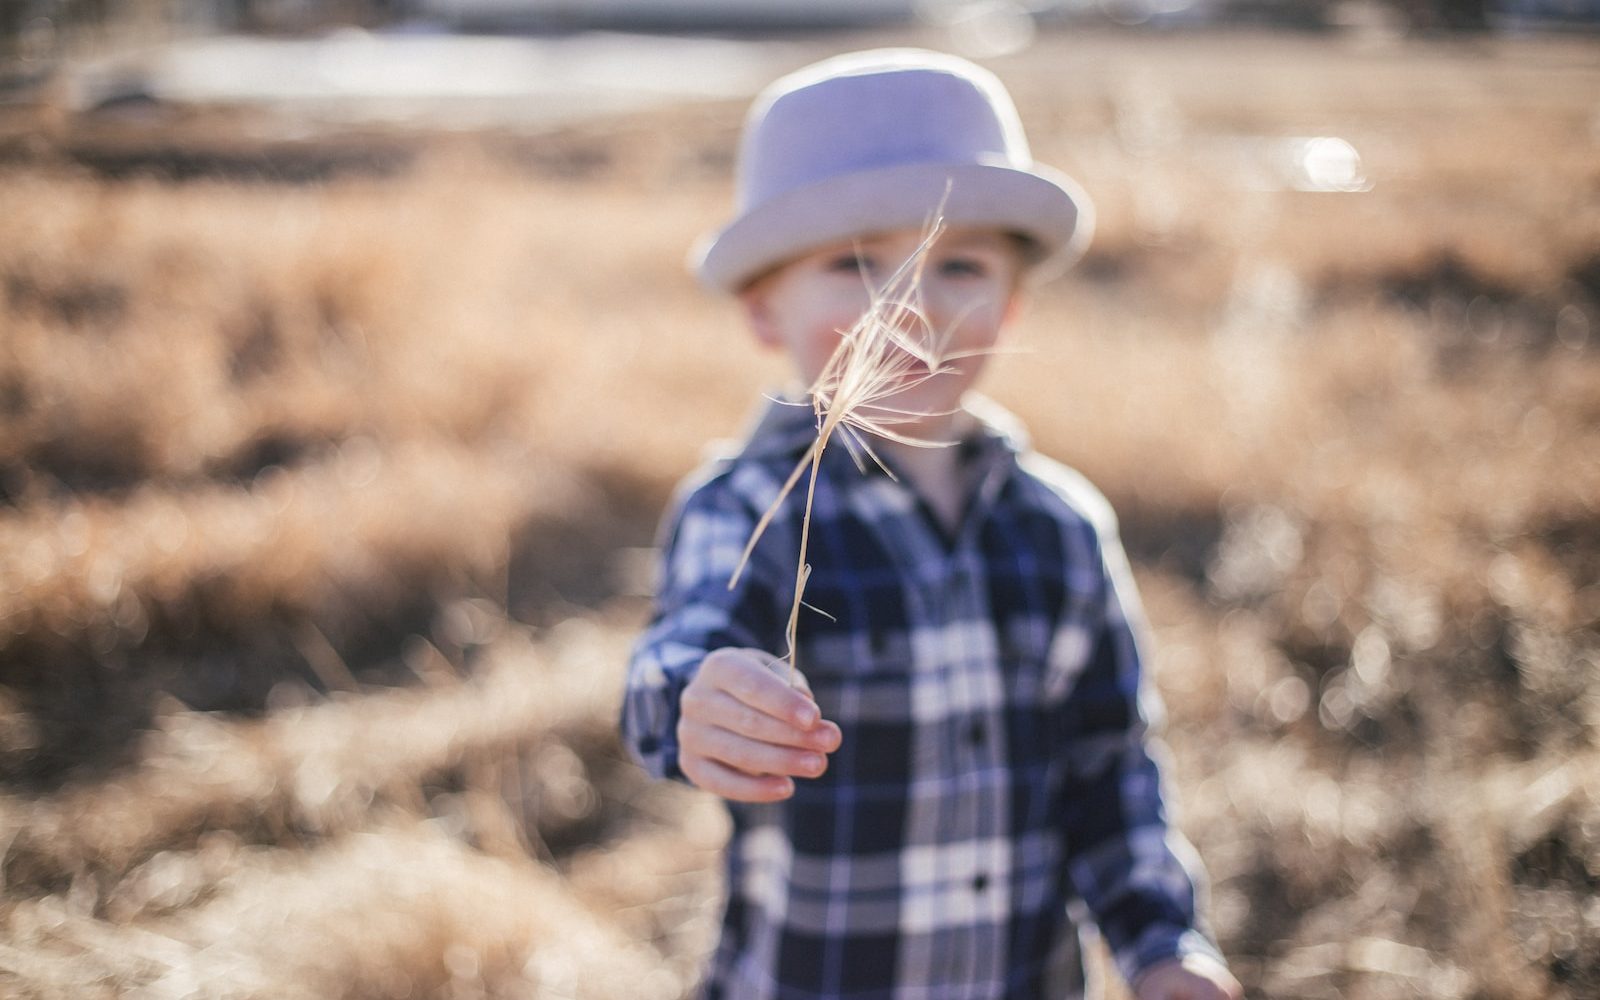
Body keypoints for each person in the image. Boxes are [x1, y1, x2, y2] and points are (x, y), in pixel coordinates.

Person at [620, 48, 1243, 1000]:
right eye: (854, 263)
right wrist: (697, 699)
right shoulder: (748, 507)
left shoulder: (1063, 527)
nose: (909, 304)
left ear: (1013, 302)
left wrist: (1163, 945)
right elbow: (674, 657)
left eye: (958, 264)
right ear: (762, 311)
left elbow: (1108, 764)